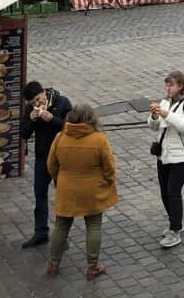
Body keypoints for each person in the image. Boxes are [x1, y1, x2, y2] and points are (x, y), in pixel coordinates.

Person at [46, 104, 118, 279]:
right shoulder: (99, 139)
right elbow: (109, 167)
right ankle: (92, 267)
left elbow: (51, 165)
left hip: (66, 190)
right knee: (93, 226)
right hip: (92, 190)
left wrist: (59, 180)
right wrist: (109, 180)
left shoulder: (60, 137)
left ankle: (53, 264)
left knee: (61, 226)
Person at [148, 70, 184, 249]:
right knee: (164, 192)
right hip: (165, 154)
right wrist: (155, 116)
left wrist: (165, 114)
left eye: (171, 85)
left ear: (180, 86)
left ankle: (175, 230)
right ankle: (174, 222)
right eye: (166, 84)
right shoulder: (165, 102)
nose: (167, 88)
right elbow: (154, 127)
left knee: (173, 191)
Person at [21, 81, 72, 248]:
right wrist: (31, 120)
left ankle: (61, 236)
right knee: (40, 194)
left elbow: (71, 129)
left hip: (61, 157)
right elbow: (24, 133)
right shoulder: (31, 109)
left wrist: (53, 119)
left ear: (44, 93)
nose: (37, 104)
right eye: (33, 103)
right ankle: (41, 233)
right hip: (42, 157)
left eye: (38, 99)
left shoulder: (62, 102)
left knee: (62, 197)